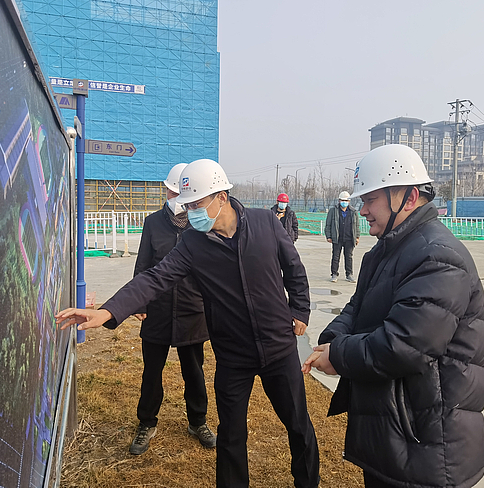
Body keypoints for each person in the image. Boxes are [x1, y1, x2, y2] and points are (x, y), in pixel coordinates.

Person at [57, 159, 320, 488]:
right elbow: (155, 278)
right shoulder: (194, 243)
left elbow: (294, 269)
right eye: (188, 205)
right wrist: (109, 312)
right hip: (233, 355)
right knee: (231, 436)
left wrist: (300, 311)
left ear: (221, 197)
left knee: (298, 425)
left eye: (196, 204)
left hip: (279, 348)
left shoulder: (265, 223)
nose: (190, 212)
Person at [303, 144, 484, 488]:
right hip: (394, 429)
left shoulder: (437, 257)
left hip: (426, 439)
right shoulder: (388, 249)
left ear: (410, 197)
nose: (362, 210)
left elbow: (405, 345)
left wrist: (339, 356)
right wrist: (331, 341)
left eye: (371, 200)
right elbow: (357, 307)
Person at [128, 163, 215, 455]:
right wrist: (139, 300)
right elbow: (143, 264)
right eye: (171, 191)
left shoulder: (201, 224)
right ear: (166, 190)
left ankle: (198, 421)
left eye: (180, 192)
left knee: (194, 371)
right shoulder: (153, 223)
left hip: (193, 311)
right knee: (152, 371)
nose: (175, 197)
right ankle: (147, 422)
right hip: (158, 309)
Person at [324, 190, 360, 282]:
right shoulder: (333, 211)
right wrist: (328, 236)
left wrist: (357, 236)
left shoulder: (353, 212)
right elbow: (328, 224)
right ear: (339, 200)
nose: (344, 202)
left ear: (349, 201)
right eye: (343, 200)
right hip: (337, 238)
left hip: (349, 238)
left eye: (346, 200)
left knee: (349, 257)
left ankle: (349, 274)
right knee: (336, 257)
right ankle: (334, 274)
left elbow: (356, 225)